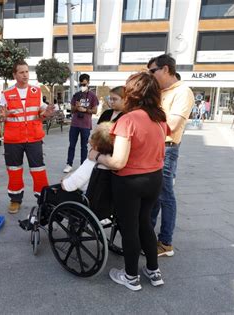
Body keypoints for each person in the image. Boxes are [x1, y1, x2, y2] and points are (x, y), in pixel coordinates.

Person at [90, 71, 170, 291]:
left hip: (130, 182)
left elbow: (117, 162)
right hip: (154, 179)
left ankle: (131, 276)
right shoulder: (160, 117)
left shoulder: (128, 119)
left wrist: (96, 156)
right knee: (145, 223)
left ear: (132, 93)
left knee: (129, 228)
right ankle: (154, 271)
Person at [147, 54, 194, 257]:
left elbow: (172, 125)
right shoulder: (160, 91)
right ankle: (148, 235)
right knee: (154, 195)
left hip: (167, 148)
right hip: (154, 146)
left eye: (152, 71)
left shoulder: (183, 92)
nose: (150, 75)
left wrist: (145, 124)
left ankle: (165, 242)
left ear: (166, 69)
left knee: (165, 196)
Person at [0, 60, 55, 214]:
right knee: (14, 171)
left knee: (39, 170)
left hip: (33, 139)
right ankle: (15, 200)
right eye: (21, 72)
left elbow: (41, 111)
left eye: (27, 72)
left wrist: (47, 113)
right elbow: (0, 115)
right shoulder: (6, 94)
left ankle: (44, 201)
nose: (25, 75)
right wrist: (2, 115)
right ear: (14, 75)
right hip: (13, 140)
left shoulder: (36, 91)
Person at [63, 73, 98, 173]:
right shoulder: (76, 95)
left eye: (85, 84)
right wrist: (76, 107)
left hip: (86, 125)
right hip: (75, 124)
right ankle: (69, 164)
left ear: (88, 83)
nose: (83, 86)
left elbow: (95, 111)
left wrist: (85, 110)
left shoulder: (92, 96)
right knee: (72, 145)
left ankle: (83, 165)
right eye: (81, 85)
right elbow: (72, 110)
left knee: (84, 146)